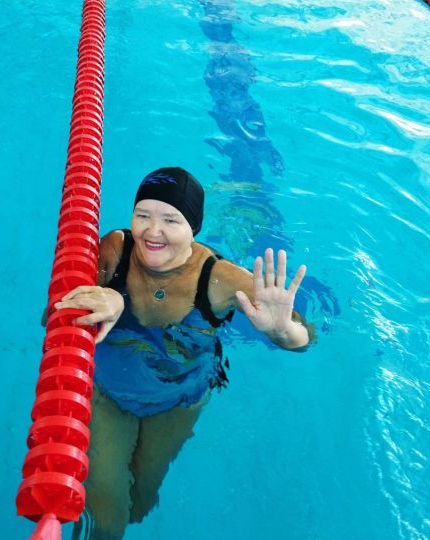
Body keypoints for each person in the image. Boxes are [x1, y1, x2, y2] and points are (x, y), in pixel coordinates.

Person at [58, 167, 313, 540]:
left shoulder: (218, 277)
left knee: (140, 506)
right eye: (142, 215)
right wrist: (106, 295)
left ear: (192, 227)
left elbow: (304, 337)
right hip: (108, 392)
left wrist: (280, 329)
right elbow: (55, 312)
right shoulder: (116, 248)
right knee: (106, 511)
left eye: (170, 220)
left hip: (178, 399)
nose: (152, 231)